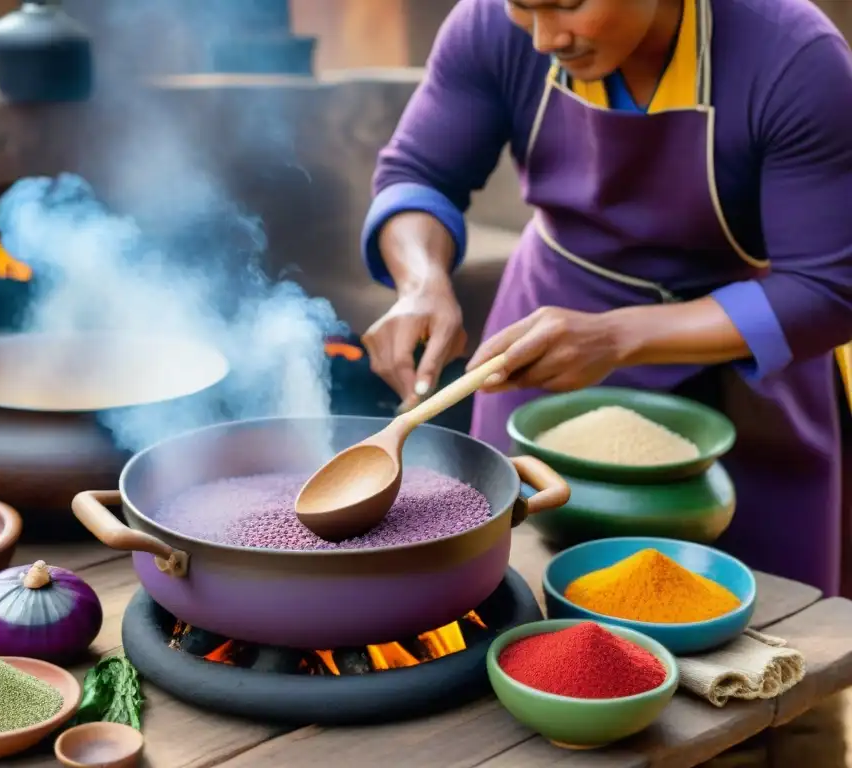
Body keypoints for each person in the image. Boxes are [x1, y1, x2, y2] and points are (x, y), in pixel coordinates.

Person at [359, 0, 852, 595]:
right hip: (541, 357)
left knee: (774, 636)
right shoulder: (489, 25)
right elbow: (419, 174)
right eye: (523, 6)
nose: (543, 38)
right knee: (519, 612)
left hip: (751, 361)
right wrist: (421, 282)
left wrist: (618, 336)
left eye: (568, 4)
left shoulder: (793, 57)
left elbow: (825, 288)